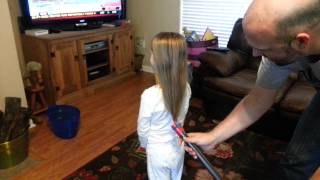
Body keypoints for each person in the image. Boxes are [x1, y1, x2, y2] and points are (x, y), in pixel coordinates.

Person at [185, 0, 320, 179]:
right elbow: (258, 99)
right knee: (296, 161)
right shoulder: (280, 51)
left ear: (301, 41)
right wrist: (213, 137)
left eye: (263, 48)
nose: (255, 54)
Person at [137, 32, 191, 180]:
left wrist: (144, 145)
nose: (150, 57)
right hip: (178, 147)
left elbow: (143, 129)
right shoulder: (186, 87)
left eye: (152, 53)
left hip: (157, 152)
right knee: (176, 175)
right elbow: (182, 117)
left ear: (158, 62)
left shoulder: (149, 95)